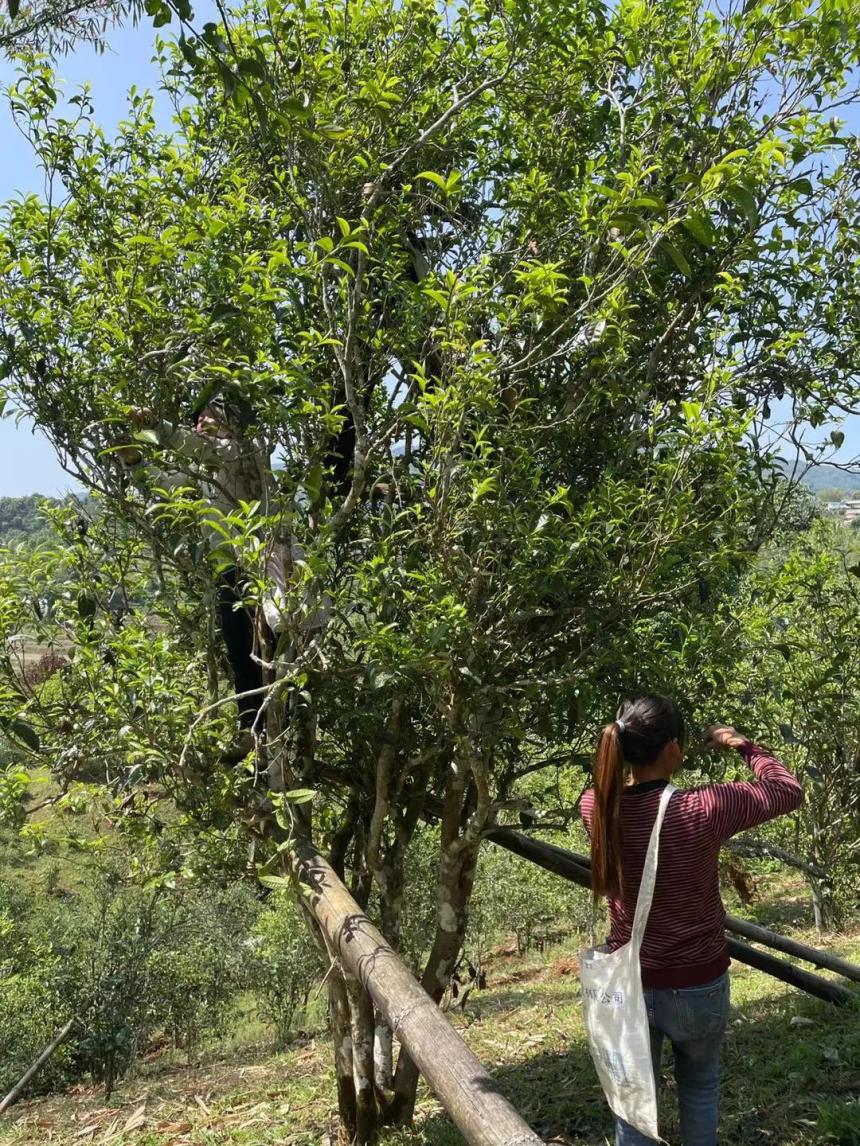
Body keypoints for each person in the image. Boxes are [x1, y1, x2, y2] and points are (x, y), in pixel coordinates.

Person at [581, 695, 803, 1146]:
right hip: (699, 982)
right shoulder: (703, 808)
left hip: (631, 985)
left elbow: (601, 788)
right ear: (674, 751)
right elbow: (787, 789)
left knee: (633, 1109)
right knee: (699, 1088)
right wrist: (741, 744)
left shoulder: (596, 809)